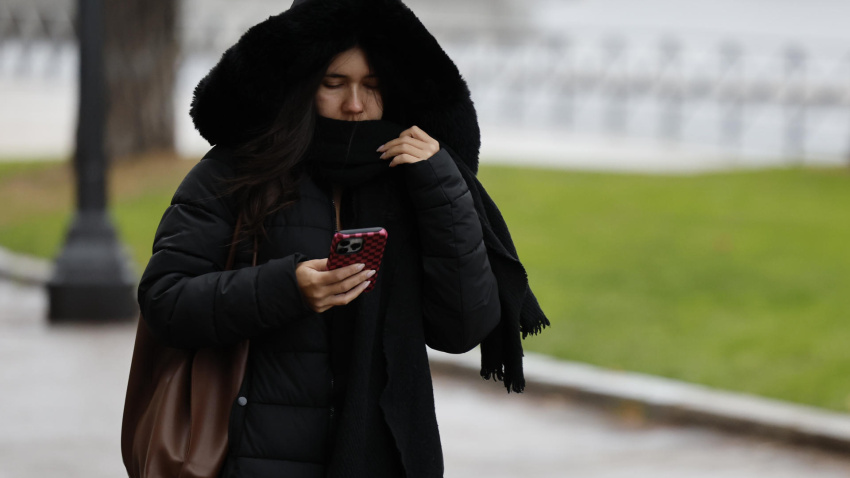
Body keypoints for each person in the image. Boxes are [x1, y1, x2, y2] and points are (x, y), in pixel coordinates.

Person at [137, 0, 547, 477]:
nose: (354, 104)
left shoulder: (414, 179)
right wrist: (287, 288)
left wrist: (441, 185)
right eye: (334, 84)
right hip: (252, 458)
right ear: (303, 82)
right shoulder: (237, 171)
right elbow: (165, 299)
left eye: (372, 85)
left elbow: (461, 329)